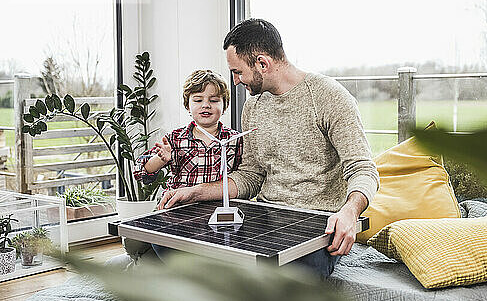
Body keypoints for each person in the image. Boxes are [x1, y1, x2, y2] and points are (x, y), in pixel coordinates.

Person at [157, 19, 379, 277]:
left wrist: (349, 212)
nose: (236, 82)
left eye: (238, 72)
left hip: (316, 227)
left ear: (263, 63)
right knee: (164, 243)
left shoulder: (329, 97)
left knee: (291, 275)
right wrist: (196, 192)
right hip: (264, 217)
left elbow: (363, 169)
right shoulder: (253, 106)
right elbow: (250, 175)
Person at [134, 69, 243, 200]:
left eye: (214, 100)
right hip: (180, 208)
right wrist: (160, 159)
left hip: (220, 209)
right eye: (198, 100)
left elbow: (243, 177)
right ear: (187, 106)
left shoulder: (235, 140)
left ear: (225, 106)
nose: (206, 105)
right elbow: (141, 172)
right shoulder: (174, 138)